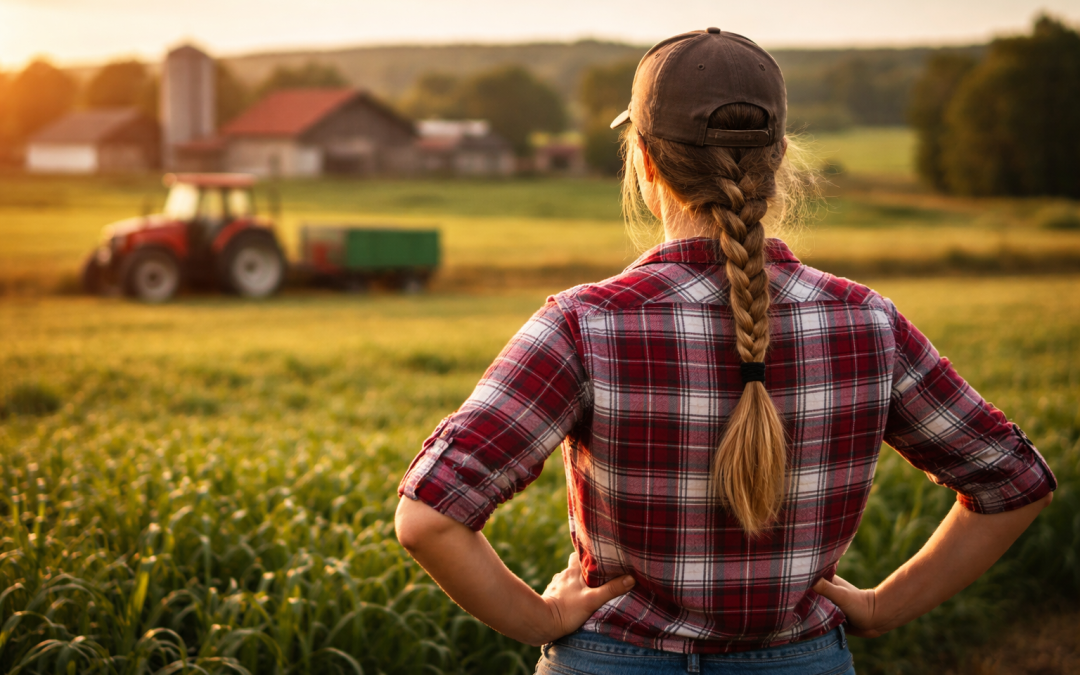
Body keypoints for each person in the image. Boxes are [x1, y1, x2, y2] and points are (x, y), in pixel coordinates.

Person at [395, 28, 1057, 674]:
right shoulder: (868, 322)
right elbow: (1014, 481)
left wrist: (541, 620)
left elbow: (429, 519)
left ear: (645, 162)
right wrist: (883, 605)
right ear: (777, 160)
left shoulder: (584, 325)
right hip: (802, 658)